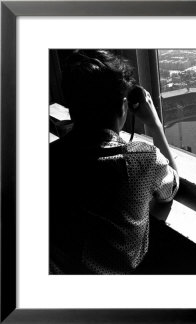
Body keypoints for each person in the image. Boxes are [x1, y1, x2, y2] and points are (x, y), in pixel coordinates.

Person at [50, 50, 179, 274]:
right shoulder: (143, 159)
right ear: (123, 106)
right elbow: (172, 187)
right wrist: (155, 124)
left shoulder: (49, 158)